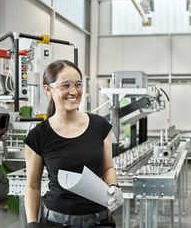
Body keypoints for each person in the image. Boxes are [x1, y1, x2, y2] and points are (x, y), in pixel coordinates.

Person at [24, 60, 123, 228]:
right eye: (65, 85)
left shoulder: (100, 126)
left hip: (99, 220)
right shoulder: (38, 136)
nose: (74, 91)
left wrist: (114, 186)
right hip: (56, 222)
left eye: (78, 84)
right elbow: (33, 187)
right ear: (48, 89)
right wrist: (32, 224)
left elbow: (108, 169)